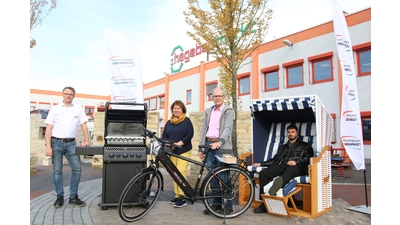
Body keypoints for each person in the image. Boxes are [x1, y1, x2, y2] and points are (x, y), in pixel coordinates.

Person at [252, 124, 314, 214]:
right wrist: (261, 163)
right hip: (283, 165)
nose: (290, 134)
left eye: (292, 132)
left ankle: (276, 187)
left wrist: (296, 162)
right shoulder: (283, 147)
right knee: (263, 173)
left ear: (297, 133)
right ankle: (265, 202)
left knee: (289, 171)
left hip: (298, 167)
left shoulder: (305, 146)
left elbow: (308, 158)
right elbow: (274, 160)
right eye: (289, 132)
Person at [45, 86, 90, 208]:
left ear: (74, 96)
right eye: (66, 94)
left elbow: (84, 126)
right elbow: (49, 129)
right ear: (62, 95)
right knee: (57, 170)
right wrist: (48, 147)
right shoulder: (55, 109)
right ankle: (59, 196)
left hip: (71, 144)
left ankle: (73, 197)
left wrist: (86, 141)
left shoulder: (78, 109)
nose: (68, 96)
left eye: (70, 94)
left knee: (77, 170)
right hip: (56, 143)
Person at [198, 87, 234, 215]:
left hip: (221, 146)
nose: (217, 98)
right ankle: (216, 204)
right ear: (212, 97)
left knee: (224, 176)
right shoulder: (209, 111)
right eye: (215, 96)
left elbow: (228, 128)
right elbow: (204, 130)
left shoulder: (228, 111)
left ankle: (229, 205)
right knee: (211, 176)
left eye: (219, 96)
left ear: (224, 97)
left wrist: (220, 142)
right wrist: (201, 147)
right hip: (208, 144)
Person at [162, 100, 194, 208]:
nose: (176, 110)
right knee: (174, 173)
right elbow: (164, 135)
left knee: (180, 172)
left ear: (182, 110)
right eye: (175, 108)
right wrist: (167, 142)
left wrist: (180, 143)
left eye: (178, 108)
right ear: (172, 109)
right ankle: (176, 195)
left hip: (184, 150)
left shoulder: (187, 121)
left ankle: (182, 196)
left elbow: (190, 134)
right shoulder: (169, 122)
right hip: (172, 151)